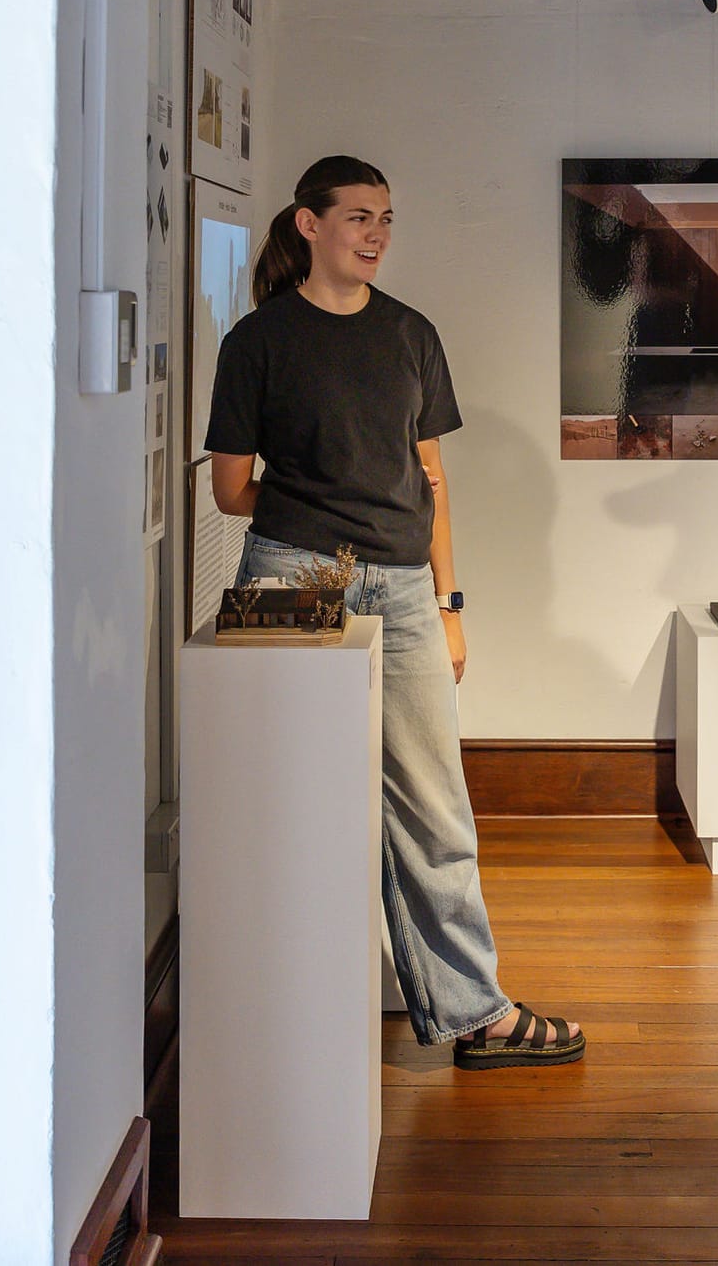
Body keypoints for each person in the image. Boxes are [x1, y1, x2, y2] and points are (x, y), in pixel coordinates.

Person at [205, 155, 583, 1070]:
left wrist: (450, 605)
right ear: (309, 224)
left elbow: (434, 479)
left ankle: (475, 1012)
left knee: (435, 806)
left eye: (385, 219)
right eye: (358, 217)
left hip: (406, 586)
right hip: (291, 579)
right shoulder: (257, 341)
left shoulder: (411, 333)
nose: (376, 234)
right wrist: (317, 513)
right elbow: (229, 489)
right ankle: (279, 1017)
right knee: (285, 803)